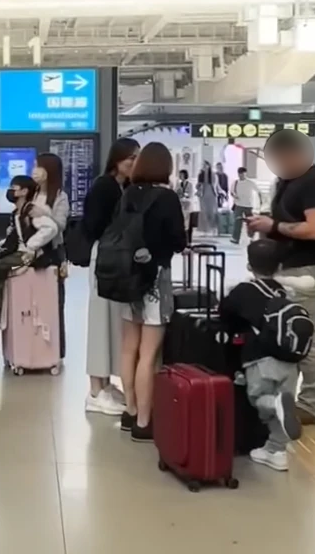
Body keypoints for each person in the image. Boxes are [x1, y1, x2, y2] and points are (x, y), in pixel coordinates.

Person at [246, 128, 315, 424]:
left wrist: (274, 226)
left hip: (306, 269)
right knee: (286, 333)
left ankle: (311, 405)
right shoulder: (286, 181)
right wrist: (264, 225)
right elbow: (282, 220)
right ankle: (287, 397)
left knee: (308, 333)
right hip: (285, 267)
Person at [117, 142, 186, 440]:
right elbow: (178, 241)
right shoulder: (167, 197)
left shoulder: (128, 194)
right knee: (148, 355)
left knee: (128, 349)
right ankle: (144, 422)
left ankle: (130, 410)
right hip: (156, 279)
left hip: (127, 279)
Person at [220, 238, 305, 471]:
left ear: (249, 266)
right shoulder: (284, 291)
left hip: (261, 360)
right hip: (290, 360)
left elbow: (224, 315)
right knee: (282, 407)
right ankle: (275, 451)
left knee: (260, 400)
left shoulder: (244, 291)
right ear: (279, 268)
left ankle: (276, 404)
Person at [80, 138, 139, 416]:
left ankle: (104, 384)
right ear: (118, 160)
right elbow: (94, 224)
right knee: (100, 320)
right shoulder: (105, 187)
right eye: (131, 158)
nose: (134, 164)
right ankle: (95, 389)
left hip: (114, 258)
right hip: (103, 257)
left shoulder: (124, 188)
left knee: (111, 321)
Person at [0, 175, 59, 338]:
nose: (10, 191)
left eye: (14, 188)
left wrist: (32, 245)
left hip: (28, 255)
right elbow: (14, 237)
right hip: (15, 250)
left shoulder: (32, 211)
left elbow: (51, 228)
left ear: (24, 191)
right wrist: (0, 246)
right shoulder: (17, 213)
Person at [231, 166, 259, 244]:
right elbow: (232, 192)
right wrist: (235, 196)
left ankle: (251, 237)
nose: (241, 175)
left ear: (245, 174)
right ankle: (235, 238)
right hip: (238, 204)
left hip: (248, 205)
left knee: (250, 222)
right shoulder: (235, 182)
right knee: (237, 223)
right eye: (240, 174)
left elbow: (257, 191)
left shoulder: (250, 183)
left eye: (243, 174)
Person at [176, 168, 198, 246]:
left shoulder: (190, 185)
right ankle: (182, 240)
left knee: (189, 225)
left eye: (181, 175)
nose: (180, 176)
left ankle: (189, 241)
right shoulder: (178, 184)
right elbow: (176, 193)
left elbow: (190, 194)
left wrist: (185, 195)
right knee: (181, 224)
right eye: (179, 175)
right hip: (181, 205)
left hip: (188, 205)